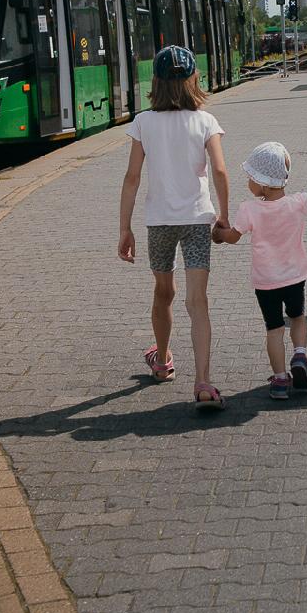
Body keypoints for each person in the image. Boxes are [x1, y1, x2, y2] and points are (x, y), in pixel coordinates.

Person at [117, 45, 230, 410]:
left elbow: (132, 178)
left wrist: (125, 228)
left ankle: (163, 360)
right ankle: (203, 383)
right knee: (198, 302)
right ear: (193, 78)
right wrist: (224, 216)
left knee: (163, 290)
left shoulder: (144, 122)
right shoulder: (205, 121)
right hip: (197, 220)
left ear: (157, 81)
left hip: (159, 221)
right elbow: (220, 171)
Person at [213, 142, 307, 400]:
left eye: (250, 178)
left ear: (263, 183)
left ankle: (278, 381)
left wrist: (218, 234)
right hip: (294, 276)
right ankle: (300, 354)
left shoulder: (250, 209)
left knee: (274, 329)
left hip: (266, 282)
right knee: (298, 317)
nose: (248, 183)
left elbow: (232, 237)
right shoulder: (296, 203)